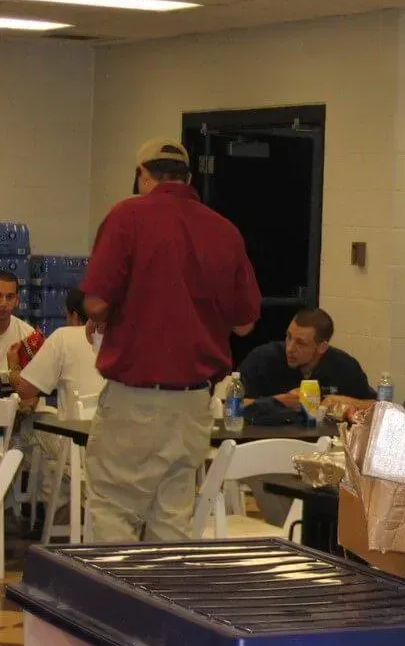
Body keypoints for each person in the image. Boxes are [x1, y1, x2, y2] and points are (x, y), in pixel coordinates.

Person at [80, 137, 261, 542]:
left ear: (143, 175)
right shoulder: (224, 230)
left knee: (115, 509)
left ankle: (115, 605)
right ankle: (162, 603)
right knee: (172, 516)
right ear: (189, 178)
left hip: (135, 399)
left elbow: (93, 302)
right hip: (195, 403)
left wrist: (110, 313)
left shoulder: (127, 216)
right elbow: (246, 324)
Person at [7, 287, 104, 520]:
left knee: (26, 430)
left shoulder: (63, 337)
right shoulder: (121, 338)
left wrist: (13, 366)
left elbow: (26, 389)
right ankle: (53, 504)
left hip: (77, 445)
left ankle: (37, 506)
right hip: (114, 444)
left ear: (72, 315)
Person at [238, 308, 376, 410]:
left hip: (324, 442)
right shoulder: (263, 359)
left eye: (300, 343)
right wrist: (278, 401)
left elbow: (378, 408)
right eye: (289, 337)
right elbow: (230, 405)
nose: (290, 348)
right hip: (265, 440)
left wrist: (347, 401)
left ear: (322, 347)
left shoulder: (343, 366)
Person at [0, 270, 37, 394]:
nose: (3, 303)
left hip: (17, 407)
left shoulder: (27, 335)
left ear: (17, 300)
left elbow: (34, 389)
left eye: (9, 297)